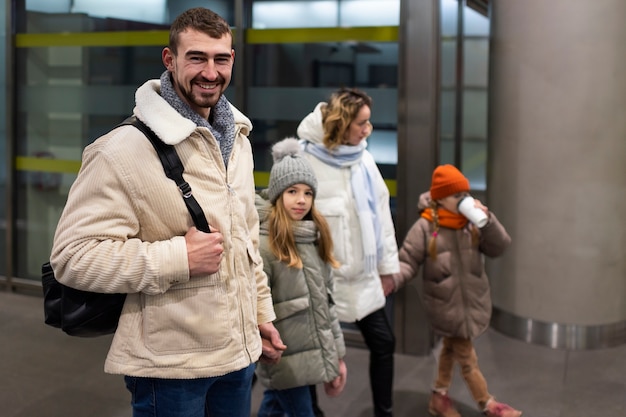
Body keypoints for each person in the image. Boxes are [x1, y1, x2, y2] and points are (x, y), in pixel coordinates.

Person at [49, 7, 285, 417]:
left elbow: (246, 239)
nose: (210, 72)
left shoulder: (238, 141)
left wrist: (260, 315)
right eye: (196, 57)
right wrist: (179, 257)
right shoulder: (121, 149)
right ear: (169, 60)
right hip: (172, 367)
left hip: (237, 353)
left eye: (221, 58)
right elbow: (72, 258)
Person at [297, 88, 400, 417]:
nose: (368, 130)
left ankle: (384, 412)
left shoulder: (363, 159)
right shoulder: (305, 159)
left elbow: (381, 217)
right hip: (322, 282)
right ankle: (310, 412)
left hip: (364, 278)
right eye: (362, 123)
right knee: (312, 353)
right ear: (342, 124)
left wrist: (387, 269)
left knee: (384, 343)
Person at [391, 164, 522, 417]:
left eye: (465, 194)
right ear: (439, 198)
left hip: (472, 302)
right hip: (446, 306)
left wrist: (488, 221)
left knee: (450, 349)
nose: (462, 200)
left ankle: (438, 397)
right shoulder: (425, 227)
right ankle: (489, 404)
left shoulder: (470, 225)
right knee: (468, 358)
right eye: (456, 196)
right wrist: (390, 281)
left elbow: (500, 246)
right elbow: (407, 260)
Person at [254, 137, 348, 417]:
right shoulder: (265, 245)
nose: (301, 200)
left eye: (308, 193)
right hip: (283, 358)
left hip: (309, 355)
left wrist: (337, 356)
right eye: (292, 191)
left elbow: (327, 307)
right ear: (277, 194)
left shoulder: (314, 238)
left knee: (273, 407)